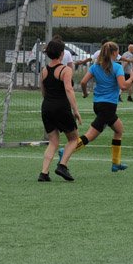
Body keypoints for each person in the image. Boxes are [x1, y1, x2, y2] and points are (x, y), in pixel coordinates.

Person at [72, 41, 133, 172]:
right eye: (117, 51)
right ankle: (67, 150)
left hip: (98, 104)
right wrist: (131, 78)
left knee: (119, 130)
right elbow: (123, 86)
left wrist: (85, 93)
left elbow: (83, 82)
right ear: (114, 53)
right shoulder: (117, 67)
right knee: (90, 136)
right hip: (108, 106)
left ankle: (116, 163)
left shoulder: (95, 66)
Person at [38, 38, 82, 182]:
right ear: (62, 53)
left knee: (53, 142)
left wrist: (49, 102)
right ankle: (62, 165)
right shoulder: (65, 70)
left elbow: (43, 90)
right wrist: (75, 110)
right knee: (74, 139)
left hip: (46, 107)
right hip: (61, 107)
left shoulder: (44, 70)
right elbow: (69, 89)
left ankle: (44, 173)